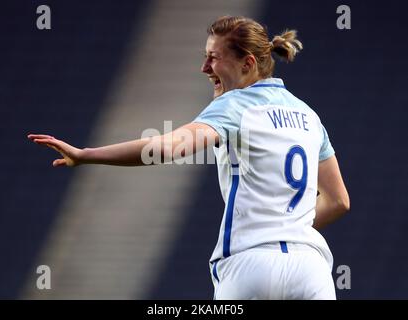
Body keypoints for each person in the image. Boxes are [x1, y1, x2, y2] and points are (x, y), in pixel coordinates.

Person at [28, 16, 350, 300]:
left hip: (250, 266)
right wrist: (289, 229)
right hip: (311, 269)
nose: (205, 68)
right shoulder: (308, 116)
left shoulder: (235, 105)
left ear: (247, 64)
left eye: (213, 58)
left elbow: (167, 148)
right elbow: (338, 201)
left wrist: (87, 155)